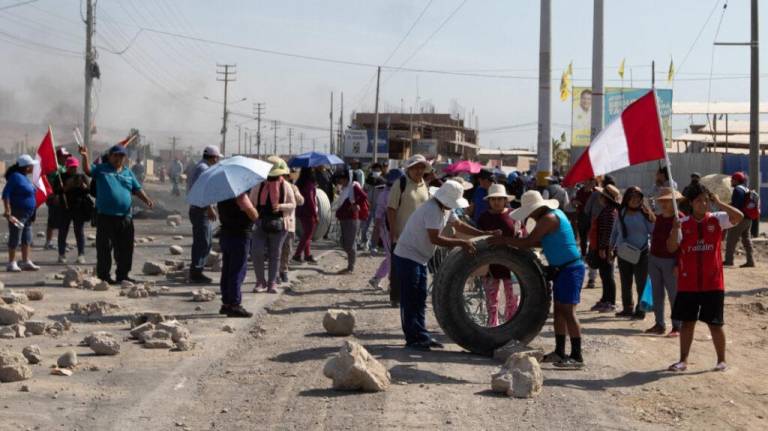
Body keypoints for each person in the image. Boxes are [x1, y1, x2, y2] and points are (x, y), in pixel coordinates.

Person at [395, 180, 499, 351]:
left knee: (419, 298)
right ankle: (412, 338)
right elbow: (435, 238)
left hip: (420, 257)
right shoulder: (432, 210)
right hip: (408, 256)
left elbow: (458, 224)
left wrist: (483, 234)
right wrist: (462, 243)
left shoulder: (445, 208)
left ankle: (421, 335)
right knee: (410, 298)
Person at [490, 190, 586, 368]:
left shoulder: (548, 219)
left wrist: (505, 240)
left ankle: (577, 356)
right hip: (563, 268)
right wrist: (510, 241)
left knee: (568, 311)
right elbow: (539, 242)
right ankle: (559, 351)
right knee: (559, 311)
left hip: (570, 268)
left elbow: (529, 242)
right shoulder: (550, 216)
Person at [666, 182, 742, 372]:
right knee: (687, 324)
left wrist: (720, 202)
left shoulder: (717, 219)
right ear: (691, 203)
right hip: (688, 284)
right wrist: (675, 229)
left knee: (715, 324)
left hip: (713, 283)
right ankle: (683, 361)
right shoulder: (681, 223)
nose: (703, 204)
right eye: (699, 201)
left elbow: (739, 217)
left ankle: (721, 360)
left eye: (706, 201)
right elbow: (671, 248)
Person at [81, 145, 154, 283]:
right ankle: (104, 276)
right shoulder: (101, 169)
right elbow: (87, 170)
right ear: (109, 156)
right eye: (115, 155)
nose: (118, 158)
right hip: (105, 216)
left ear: (124, 158)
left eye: (121, 156)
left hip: (125, 217)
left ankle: (123, 275)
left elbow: (137, 189)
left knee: (126, 248)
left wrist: (147, 200)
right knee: (104, 248)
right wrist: (84, 156)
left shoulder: (128, 172)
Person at [386, 154, 430, 307]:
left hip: (419, 235)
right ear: (409, 169)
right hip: (401, 233)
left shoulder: (425, 185)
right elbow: (391, 208)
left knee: (417, 266)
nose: (418, 171)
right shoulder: (401, 183)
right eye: (415, 168)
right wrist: (393, 230)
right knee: (398, 267)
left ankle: (414, 295)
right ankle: (395, 297)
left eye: (421, 167)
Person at [249, 156, 296, 293]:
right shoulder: (259, 185)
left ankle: (272, 283)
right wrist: (256, 219)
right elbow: (252, 203)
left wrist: (280, 206)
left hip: (280, 224)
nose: (273, 178)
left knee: (275, 254)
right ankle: (260, 282)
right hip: (261, 223)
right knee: (256, 252)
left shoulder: (285, 186)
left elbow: (292, 204)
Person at [477, 184, 520, 326]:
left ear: (505, 200)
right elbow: (478, 239)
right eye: (493, 199)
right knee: (491, 301)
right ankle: (493, 328)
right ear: (489, 201)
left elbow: (522, 234)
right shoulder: (483, 217)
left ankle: (511, 328)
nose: (496, 202)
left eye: (499, 199)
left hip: (512, 265)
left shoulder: (515, 215)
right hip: (490, 265)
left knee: (513, 300)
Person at [611, 186, 655, 319]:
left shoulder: (646, 214)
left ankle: (641, 310)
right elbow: (615, 232)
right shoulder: (621, 212)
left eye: (638, 197)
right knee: (625, 282)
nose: (635, 200)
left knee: (641, 283)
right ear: (627, 199)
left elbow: (653, 232)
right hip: (624, 253)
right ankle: (627, 308)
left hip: (642, 253)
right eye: (633, 197)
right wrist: (610, 246)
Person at [646, 187, 683, 337]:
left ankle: (677, 326)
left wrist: (679, 264)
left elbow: (684, 244)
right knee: (657, 294)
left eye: (667, 201)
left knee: (673, 295)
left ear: (675, 201)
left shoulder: (680, 218)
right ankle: (659, 324)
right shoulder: (659, 218)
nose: (664, 204)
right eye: (662, 201)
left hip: (671, 261)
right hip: (654, 259)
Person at [217, 190, 258, 318]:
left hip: (226, 234)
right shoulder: (240, 196)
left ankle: (227, 303)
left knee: (227, 270)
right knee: (237, 271)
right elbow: (254, 215)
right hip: (239, 236)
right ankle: (234, 304)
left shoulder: (222, 195)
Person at [186, 146, 221, 283]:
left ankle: (196, 270)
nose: (218, 161)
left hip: (200, 209)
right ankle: (196, 272)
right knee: (203, 242)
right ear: (214, 157)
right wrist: (209, 207)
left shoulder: (201, 167)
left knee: (205, 241)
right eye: (217, 158)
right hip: (200, 210)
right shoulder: (203, 169)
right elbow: (200, 191)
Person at [3, 155, 41, 272]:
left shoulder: (24, 177)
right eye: (31, 165)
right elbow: (6, 194)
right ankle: (11, 262)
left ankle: (25, 261)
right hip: (17, 213)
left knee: (27, 237)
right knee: (15, 237)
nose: (33, 167)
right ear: (26, 167)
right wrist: (7, 209)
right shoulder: (15, 177)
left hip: (28, 214)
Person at [369, 169, 403, 290]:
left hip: (396, 229)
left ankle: (376, 279)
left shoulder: (395, 192)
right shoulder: (385, 194)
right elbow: (378, 217)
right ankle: (392, 283)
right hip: (387, 230)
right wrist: (375, 238)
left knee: (391, 257)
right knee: (392, 258)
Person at [588, 184, 620, 313]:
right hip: (603, 247)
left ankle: (610, 302)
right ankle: (605, 299)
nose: (599, 198)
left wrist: (602, 248)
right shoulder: (607, 210)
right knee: (604, 275)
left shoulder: (609, 212)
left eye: (601, 196)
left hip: (606, 249)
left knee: (607, 275)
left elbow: (608, 232)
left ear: (605, 198)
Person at [53, 157, 91, 264]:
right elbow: (56, 191)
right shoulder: (61, 177)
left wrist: (84, 187)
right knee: (63, 232)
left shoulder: (81, 177)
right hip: (65, 208)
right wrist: (66, 187)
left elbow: (89, 190)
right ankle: (61, 254)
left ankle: (81, 255)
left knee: (79, 232)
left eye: (75, 167)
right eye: (71, 167)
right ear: (67, 167)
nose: (73, 169)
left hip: (79, 208)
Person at [333, 168, 368, 274]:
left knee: (350, 243)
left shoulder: (353, 186)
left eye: (342, 179)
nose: (340, 181)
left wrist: (355, 204)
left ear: (347, 178)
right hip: (344, 218)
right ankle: (350, 265)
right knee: (344, 242)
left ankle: (350, 268)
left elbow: (363, 196)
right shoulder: (345, 188)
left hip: (351, 218)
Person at [724, 171, 755, 268]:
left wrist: (727, 207)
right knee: (746, 240)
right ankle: (751, 261)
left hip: (740, 219)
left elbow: (736, 206)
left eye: (732, 179)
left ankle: (729, 261)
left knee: (731, 239)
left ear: (736, 180)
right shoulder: (746, 189)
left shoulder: (737, 190)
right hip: (748, 219)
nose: (731, 181)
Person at [279, 169, 304, 283]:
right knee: (276, 250)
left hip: (289, 223)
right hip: (277, 224)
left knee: (287, 249)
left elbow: (301, 201)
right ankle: (276, 273)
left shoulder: (293, 188)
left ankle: (284, 271)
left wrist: (294, 193)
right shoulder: (273, 187)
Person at [44, 147, 71, 250]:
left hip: (63, 197)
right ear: (58, 157)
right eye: (64, 157)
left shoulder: (63, 168)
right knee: (52, 220)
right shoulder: (54, 168)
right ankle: (49, 241)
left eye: (66, 157)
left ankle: (62, 240)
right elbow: (50, 182)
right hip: (54, 197)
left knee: (64, 220)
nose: (66, 159)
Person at [293, 167, 319, 264]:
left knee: (307, 234)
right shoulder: (309, 184)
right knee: (308, 234)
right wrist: (315, 214)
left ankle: (307, 255)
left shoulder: (300, 183)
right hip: (308, 212)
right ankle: (297, 254)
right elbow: (311, 201)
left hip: (301, 211)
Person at [360, 163, 383, 251]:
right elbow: (363, 191)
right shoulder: (368, 180)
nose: (376, 172)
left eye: (378, 170)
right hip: (368, 206)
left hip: (378, 207)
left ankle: (373, 244)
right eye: (374, 170)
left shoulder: (383, 181)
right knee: (365, 226)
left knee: (376, 227)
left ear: (380, 171)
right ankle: (364, 242)